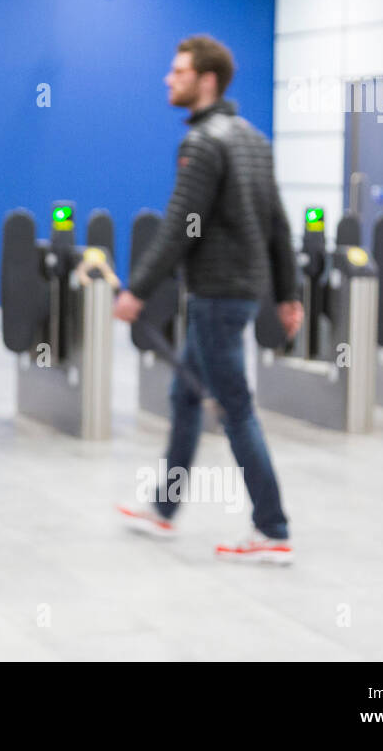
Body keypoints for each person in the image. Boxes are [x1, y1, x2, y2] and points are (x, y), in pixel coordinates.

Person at [113, 35, 302, 564]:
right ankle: (163, 508)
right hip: (239, 292)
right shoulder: (252, 139)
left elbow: (179, 228)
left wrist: (138, 291)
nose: (168, 80)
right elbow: (279, 225)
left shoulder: (201, 144)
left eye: (178, 72)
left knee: (235, 409)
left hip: (216, 296)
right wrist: (287, 294)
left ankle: (272, 529)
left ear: (207, 80)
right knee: (186, 396)